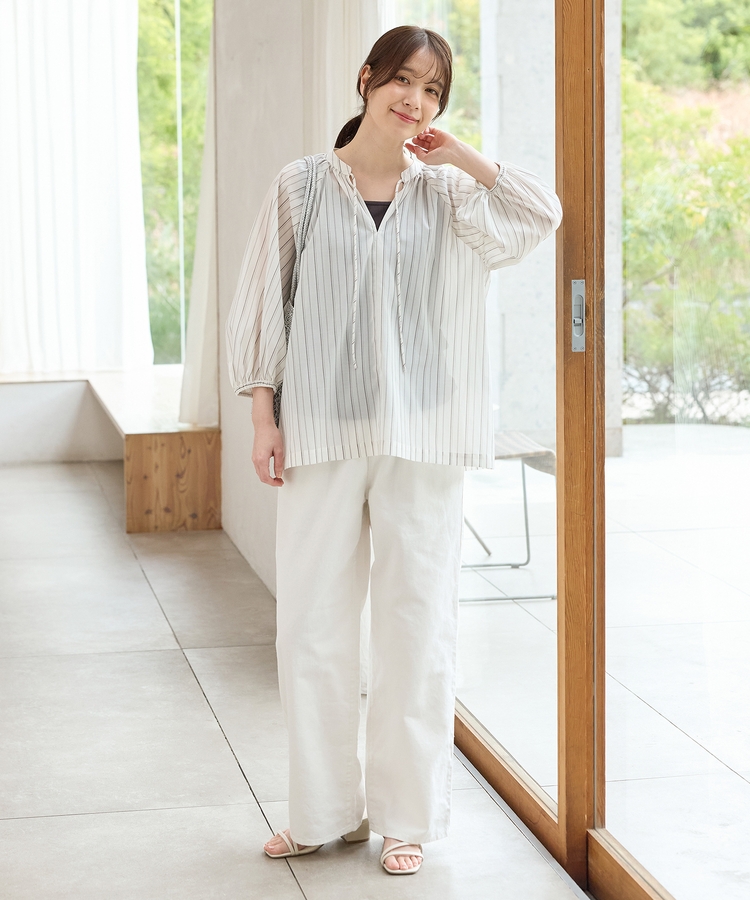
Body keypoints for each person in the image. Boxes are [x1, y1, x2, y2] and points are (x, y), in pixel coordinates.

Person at [226, 24, 561, 876]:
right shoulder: (302, 186)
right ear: (366, 78)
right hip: (321, 428)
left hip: (426, 435)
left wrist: (464, 156)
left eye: (433, 90)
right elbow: (266, 301)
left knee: (418, 624)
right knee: (313, 627)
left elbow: (540, 214)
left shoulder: (448, 194)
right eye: (403, 81)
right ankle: (321, 813)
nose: (415, 100)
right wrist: (264, 418)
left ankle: (406, 818)